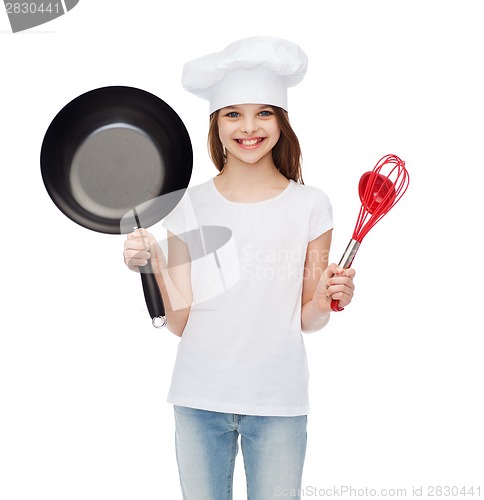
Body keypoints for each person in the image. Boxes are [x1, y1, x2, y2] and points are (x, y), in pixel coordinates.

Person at [123, 36, 356, 500]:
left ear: (281, 121)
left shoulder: (311, 205)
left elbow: (309, 319)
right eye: (233, 113)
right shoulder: (188, 204)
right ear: (216, 122)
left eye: (263, 112)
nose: (249, 127)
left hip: (278, 402)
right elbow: (180, 322)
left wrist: (330, 297)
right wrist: (151, 265)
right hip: (198, 398)